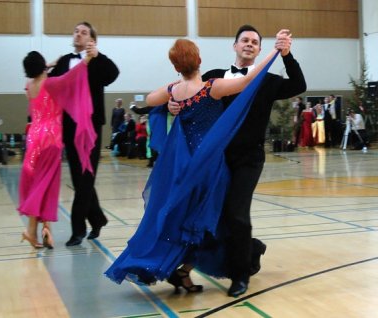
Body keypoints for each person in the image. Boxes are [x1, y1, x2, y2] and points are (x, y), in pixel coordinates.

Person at [105, 37, 281, 293]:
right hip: (210, 165)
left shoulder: (174, 90)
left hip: (184, 164)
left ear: (176, 67)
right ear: (199, 60)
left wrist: (169, 99)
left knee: (191, 218)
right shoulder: (212, 88)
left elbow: (152, 99)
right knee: (209, 219)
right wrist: (274, 53)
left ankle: (185, 271)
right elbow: (247, 81)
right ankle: (236, 258)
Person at [169, 25, 306, 297]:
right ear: (234, 46)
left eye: (255, 42)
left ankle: (240, 274)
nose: (250, 44)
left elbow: (299, 85)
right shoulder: (214, 77)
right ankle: (249, 250)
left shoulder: (266, 81)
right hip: (215, 159)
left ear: (259, 49)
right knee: (208, 214)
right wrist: (173, 104)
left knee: (236, 213)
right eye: (245, 40)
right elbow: (186, 92)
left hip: (248, 158)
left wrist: (287, 55)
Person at [49, 21, 120, 246]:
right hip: (68, 127)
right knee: (79, 179)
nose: (78, 35)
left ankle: (77, 230)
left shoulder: (98, 61)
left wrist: (98, 55)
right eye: (76, 31)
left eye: (84, 32)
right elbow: (53, 84)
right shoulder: (63, 62)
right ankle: (97, 218)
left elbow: (112, 74)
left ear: (92, 39)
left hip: (90, 127)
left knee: (86, 177)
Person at [19, 50, 95, 249]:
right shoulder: (50, 84)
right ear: (42, 66)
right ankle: (31, 230)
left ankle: (45, 230)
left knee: (41, 182)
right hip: (50, 140)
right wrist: (86, 59)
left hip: (33, 139)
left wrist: (48, 65)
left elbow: (42, 73)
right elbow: (71, 77)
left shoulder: (29, 86)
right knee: (44, 185)